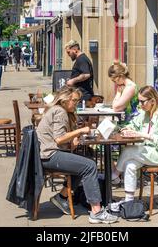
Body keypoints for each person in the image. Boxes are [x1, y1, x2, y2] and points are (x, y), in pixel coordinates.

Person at [36, 86, 118, 224]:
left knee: (84, 162)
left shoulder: (59, 111)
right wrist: (80, 131)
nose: (76, 103)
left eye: (77, 100)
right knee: (90, 165)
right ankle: (96, 212)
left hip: (48, 154)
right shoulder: (59, 111)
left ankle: (62, 198)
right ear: (64, 100)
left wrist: (73, 141)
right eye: (74, 100)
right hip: (49, 156)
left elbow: (61, 140)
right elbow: (59, 139)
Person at [110, 85, 158, 211]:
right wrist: (128, 129)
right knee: (130, 164)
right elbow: (134, 123)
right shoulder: (146, 112)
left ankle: (114, 175)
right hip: (150, 151)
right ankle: (129, 202)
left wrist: (141, 134)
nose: (140, 104)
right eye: (139, 101)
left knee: (128, 151)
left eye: (142, 101)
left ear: (152, 101)